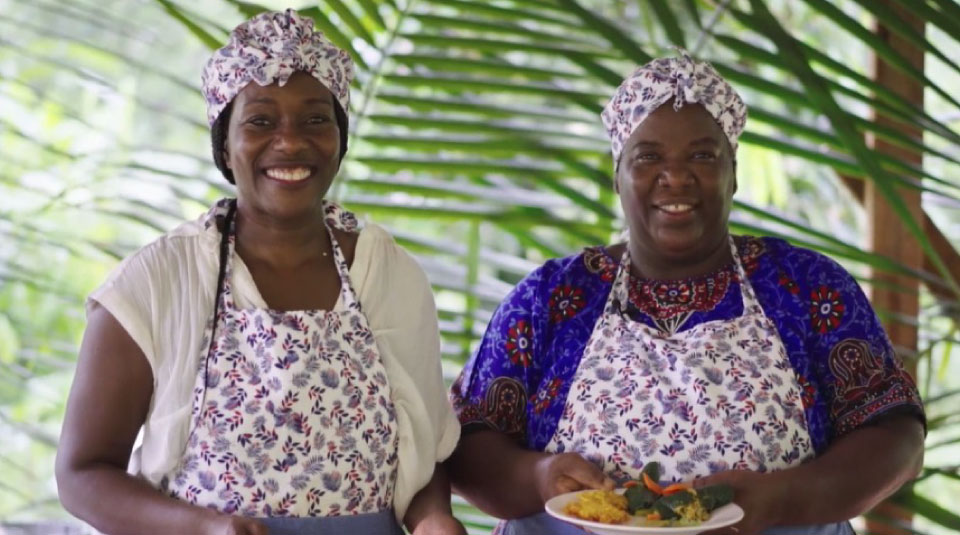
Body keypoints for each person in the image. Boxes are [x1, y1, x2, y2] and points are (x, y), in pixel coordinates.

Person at [448, 52, 925, 535]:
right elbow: (466, 439)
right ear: (618, 175)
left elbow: (895, 436)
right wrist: (539, 477)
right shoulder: (551, 298)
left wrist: (784, 499)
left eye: (702, 155)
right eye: (648, 157)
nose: (675, 176)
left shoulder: (806, 286)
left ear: (732, 173)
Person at [55, 9, 464, 535]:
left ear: (340, 138)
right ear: (224, 145)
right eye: (260, 121)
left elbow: (420, 452)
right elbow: (82, 473)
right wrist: (205, 529)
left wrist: (434, 520)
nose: (290, 142)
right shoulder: (158, 281)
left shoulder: (388, 274)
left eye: (316, 119)